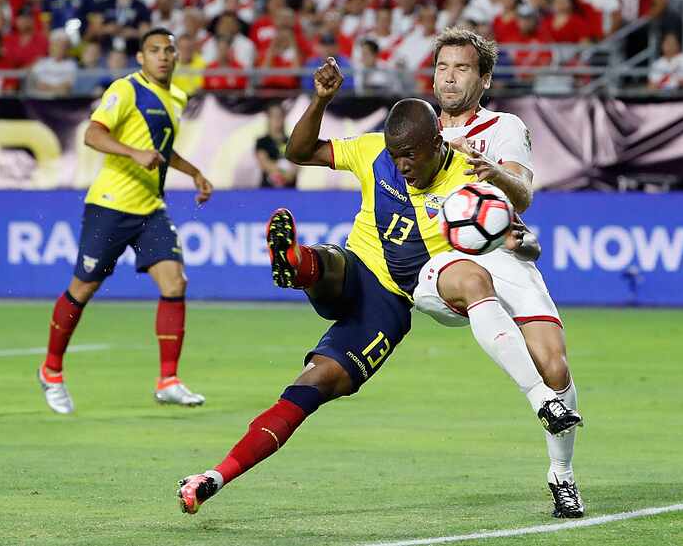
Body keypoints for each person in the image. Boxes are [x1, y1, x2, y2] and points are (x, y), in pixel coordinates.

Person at [176, 57, 578, 515]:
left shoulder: (469, 178)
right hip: (356, 268)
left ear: (437, 143)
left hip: (390, 305)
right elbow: (299, 152)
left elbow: (515, 234)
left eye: (412, 155)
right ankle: (297, 263)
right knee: (330, 263)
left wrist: (519, 242)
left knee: (314, 385)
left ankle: (214, 476)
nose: (402, 164)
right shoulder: (373, 152)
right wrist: (321, 99)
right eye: (396, 154)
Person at [411, 27, 585, 518]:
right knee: (469, 279)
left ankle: (562, 475)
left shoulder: (504, 127)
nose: (449, 78)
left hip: (501, 253)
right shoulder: (416, 130)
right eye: (443, 67)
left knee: (556, 366)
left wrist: (496, 172)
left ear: (484, 79)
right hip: (438, 258)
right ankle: (539, 403)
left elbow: (523, 195)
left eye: (462, 69)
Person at [36, 28, 213, 415]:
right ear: (141, 57)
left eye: (169, 50)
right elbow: (92, 134)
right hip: (111, 205)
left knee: (175, 281)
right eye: (155, 51)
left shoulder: (177, 96)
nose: (163, 57)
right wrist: (132, 153)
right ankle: (51, 370)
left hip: (150, 207)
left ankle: (168, 380)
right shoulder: (126, 90)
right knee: (82, 289)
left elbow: (162, 149)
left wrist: (195, 172)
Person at [255, 103, 298, 187]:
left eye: (279, 116)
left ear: (284, 117)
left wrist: (289, 175)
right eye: (274, 116)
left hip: (290, 191)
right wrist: (281, 173)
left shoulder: (292, 142)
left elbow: (297, 165)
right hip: (268, 190)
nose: (277, 119)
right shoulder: (262, 142)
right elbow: (264, 163)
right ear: (269, 118)